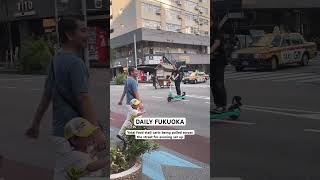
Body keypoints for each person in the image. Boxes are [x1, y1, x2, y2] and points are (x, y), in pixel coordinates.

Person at [25, 16, 107, 178]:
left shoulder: (55, 61)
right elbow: (83, 98)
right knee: (87, 172)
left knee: (68, 174)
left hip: (60, 132)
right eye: (83, 31)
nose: (87, 35)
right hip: (78, 135)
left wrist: (35, 124)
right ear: (69, 35)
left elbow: (47, 95)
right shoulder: (76, 63)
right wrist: (96, 132)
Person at [211, 25, 227, 113]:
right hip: (212, 61)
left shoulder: (216, 30)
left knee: (219, 83)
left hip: (219, 60)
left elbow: (217, 43)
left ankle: (223, 106)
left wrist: (208, 51)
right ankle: (218, 105)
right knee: (213, 84)